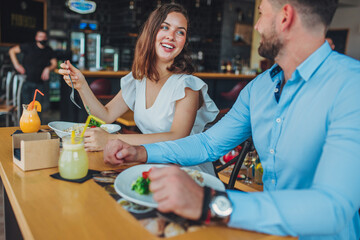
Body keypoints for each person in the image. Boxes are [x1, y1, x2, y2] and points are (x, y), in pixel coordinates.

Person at [103, 0, 360, 239]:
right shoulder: (259, 88)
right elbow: (207, 144)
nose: (257, 26)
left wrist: (208, 203)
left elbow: (334, 208)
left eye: (261, 14)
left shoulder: (351, 86)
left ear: (285, 17)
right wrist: (139, 152)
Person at [58, 4, 219, 174]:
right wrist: (82, 86)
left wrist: (111, 139)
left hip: (186, 172)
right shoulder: (138, 79)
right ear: (151, 31)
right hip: (149, 165)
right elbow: (104, 115)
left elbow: (176, 138)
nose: (171, 36)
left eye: (180, 32)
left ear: (184, 42)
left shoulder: (187, 85)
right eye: (165, 27)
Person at [9, 29, 57, 107]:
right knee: (25, 109)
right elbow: (12, 51)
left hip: (40, 84)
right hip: (26, 82)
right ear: (36, 38)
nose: (42, 39)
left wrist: (48, 68)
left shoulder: (49, 50)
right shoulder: (28, 46)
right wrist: (17, 65)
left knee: (37, 109)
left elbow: (54, 64)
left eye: (44, 37)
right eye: (40, 36)